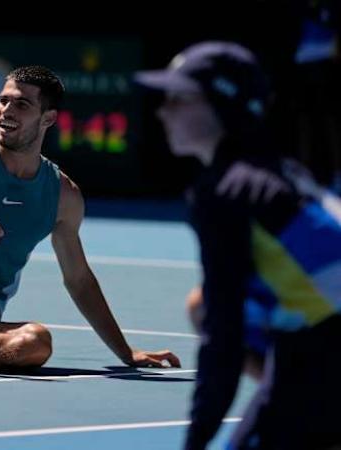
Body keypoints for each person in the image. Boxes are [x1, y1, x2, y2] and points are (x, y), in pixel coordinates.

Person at [0, 65, 180, 372]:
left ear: (48, 119)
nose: (6, 111)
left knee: (33, 343)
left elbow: (79, 280)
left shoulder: (64, 196)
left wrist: (126, 352)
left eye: (22, 105)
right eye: (3, 101)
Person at [135, 41, 341, 450]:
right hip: (317, 340)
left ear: (218, 106)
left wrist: (197, 437)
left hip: (327, 349)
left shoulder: (224, 192)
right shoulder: (278, 173)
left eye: (179, 98)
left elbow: (224, 336)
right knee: (202, 305)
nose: (163, 111)